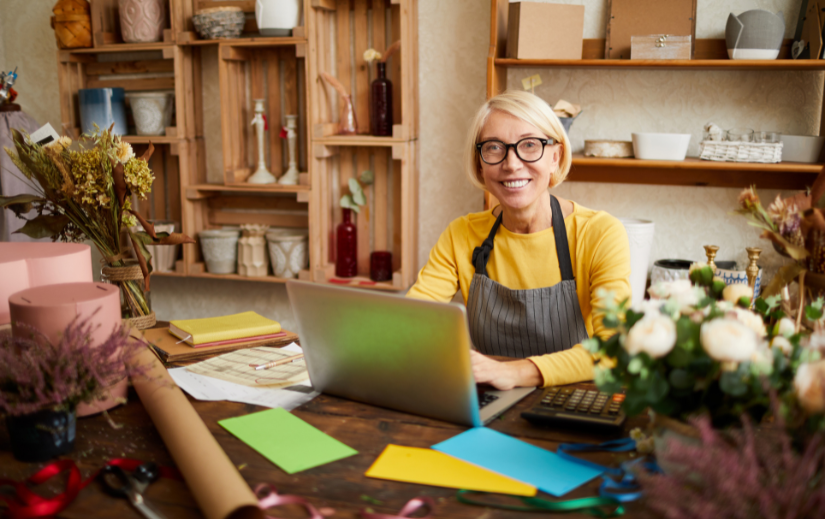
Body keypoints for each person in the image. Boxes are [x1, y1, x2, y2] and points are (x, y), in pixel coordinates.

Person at [407, 90, 631, 390]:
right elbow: (411, 322)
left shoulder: (600, 233)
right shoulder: (461, 235)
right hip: (489, 402)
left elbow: (612, 349)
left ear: (555, 156)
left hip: (572, 403)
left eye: (529, 145)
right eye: (495, 148)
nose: (511, 164)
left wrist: (512, 373)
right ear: (479, 164)